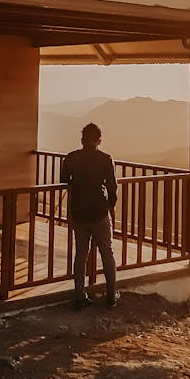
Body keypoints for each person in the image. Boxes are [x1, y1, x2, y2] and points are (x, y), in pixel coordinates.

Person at [60, 122, 119, 309]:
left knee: (81, 254)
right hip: (100, 212)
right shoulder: (106, 159)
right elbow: (112, 187)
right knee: (107, 253)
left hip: (79, 212)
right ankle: (111, 296)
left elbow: (64, 180)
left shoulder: (71, 158)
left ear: (82, 139)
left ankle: (80, 296)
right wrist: (110, 206)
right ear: (99, 140)